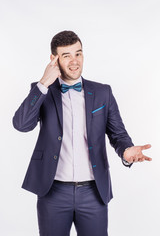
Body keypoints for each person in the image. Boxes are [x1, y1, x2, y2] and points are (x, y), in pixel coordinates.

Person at [12, 30, 152, 236]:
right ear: (54, 59)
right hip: (52, 192)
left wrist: (126, 151)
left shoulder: (103, 92)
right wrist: (43, 82)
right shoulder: (42, 91)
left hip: (93, 193)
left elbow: (118, 135)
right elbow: (21, 124)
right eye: (66, 55)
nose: (74, 61)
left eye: (78, 53)